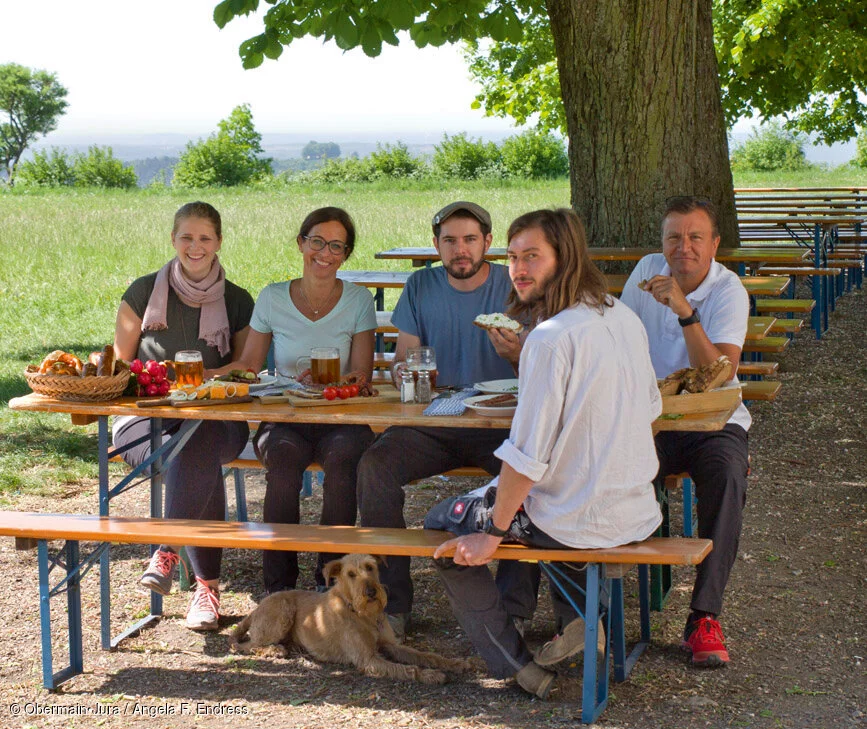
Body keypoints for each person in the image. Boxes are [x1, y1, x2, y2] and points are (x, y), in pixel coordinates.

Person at [424, 208, 663, 699]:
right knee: (535, 497)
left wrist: (490, 534)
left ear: (566, 257)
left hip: (575, 519)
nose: (519, 269)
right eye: (512, 257)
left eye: (533, 256)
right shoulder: (621, 315)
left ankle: (516, 665)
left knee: (443, 525)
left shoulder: (550, 339)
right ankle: (580, 620)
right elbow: (652, 411)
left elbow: (526, 455)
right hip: (636, 510)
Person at [355, 201, 528, 641]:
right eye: (449, 241)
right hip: (437, 416)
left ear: (489, 243)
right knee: (374, 466)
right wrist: (405, 371)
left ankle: (514, 611)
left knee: (529, 475)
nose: (460, 250)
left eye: (470, 239)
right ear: (436, 245)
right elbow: (404, 357)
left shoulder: (515, 286)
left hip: (500, 420)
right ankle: (392, 602)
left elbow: (546, 366)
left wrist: (515, 354)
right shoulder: (421, 284)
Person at [620, 195, 750, 668]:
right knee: (601, 465)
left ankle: (704, 615)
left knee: (728, 477)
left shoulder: (727, 289)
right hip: (650, 417)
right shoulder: (645, 271)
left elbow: (721, 371)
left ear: (714, 244)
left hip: (713, 420)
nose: (684, 247)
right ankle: (598, 606)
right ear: (662, 242)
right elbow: (617, 338)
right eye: (674, 237)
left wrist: (683, 308)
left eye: (696, 237)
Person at [112, 201, 254, 631]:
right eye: (187, 237)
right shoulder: (142, 291)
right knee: (191, 455)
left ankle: (167, 550)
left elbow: (248, 366)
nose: (196, 246)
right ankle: (206, 591)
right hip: (146, 416)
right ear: (173, 239)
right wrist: (159, 381)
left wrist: (205, 378)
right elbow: (120, 365)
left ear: (219, 242)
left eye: (205, 238)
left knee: (196, 444)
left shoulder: (237, 299)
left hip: (217, 417)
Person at [219, 206, 376, 594]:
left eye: (336, 245)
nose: (324, 252)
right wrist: (201, 376)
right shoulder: (273, 297)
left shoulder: (358, 300)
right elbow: (250, 365)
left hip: (339, 415)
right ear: (301, 243)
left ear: (345, 254)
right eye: (317, 241)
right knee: (283, 461)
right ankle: (279, 587)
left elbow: (362, 373)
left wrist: (338, 380)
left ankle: (332, 581)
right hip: (287, 414)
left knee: (343, 462)